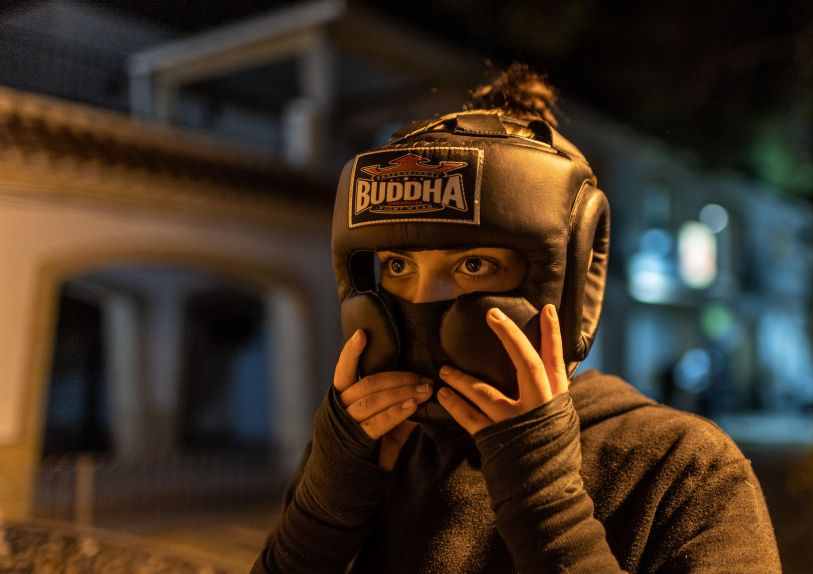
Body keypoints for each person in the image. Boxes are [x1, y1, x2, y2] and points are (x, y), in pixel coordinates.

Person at [253, 65, 781, 573]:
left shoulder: (682, 468)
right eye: (397, 266)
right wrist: (323, 511)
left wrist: (545, 500)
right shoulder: (373, 446)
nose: (422, 303)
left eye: (473, 265)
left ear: (562, 284)